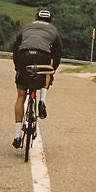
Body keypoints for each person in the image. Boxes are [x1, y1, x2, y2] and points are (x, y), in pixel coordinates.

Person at [11, 9, 62, 149]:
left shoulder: (26, 27)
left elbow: (15, 47)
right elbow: (57, 53)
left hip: (24, 56)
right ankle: (42, 100)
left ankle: (17, 136)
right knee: (47, 71)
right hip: (42, 56)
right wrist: (53, 70)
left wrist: (18, 67)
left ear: (36, 18)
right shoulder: (53, 30)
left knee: (21, 96)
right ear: (50, 20)